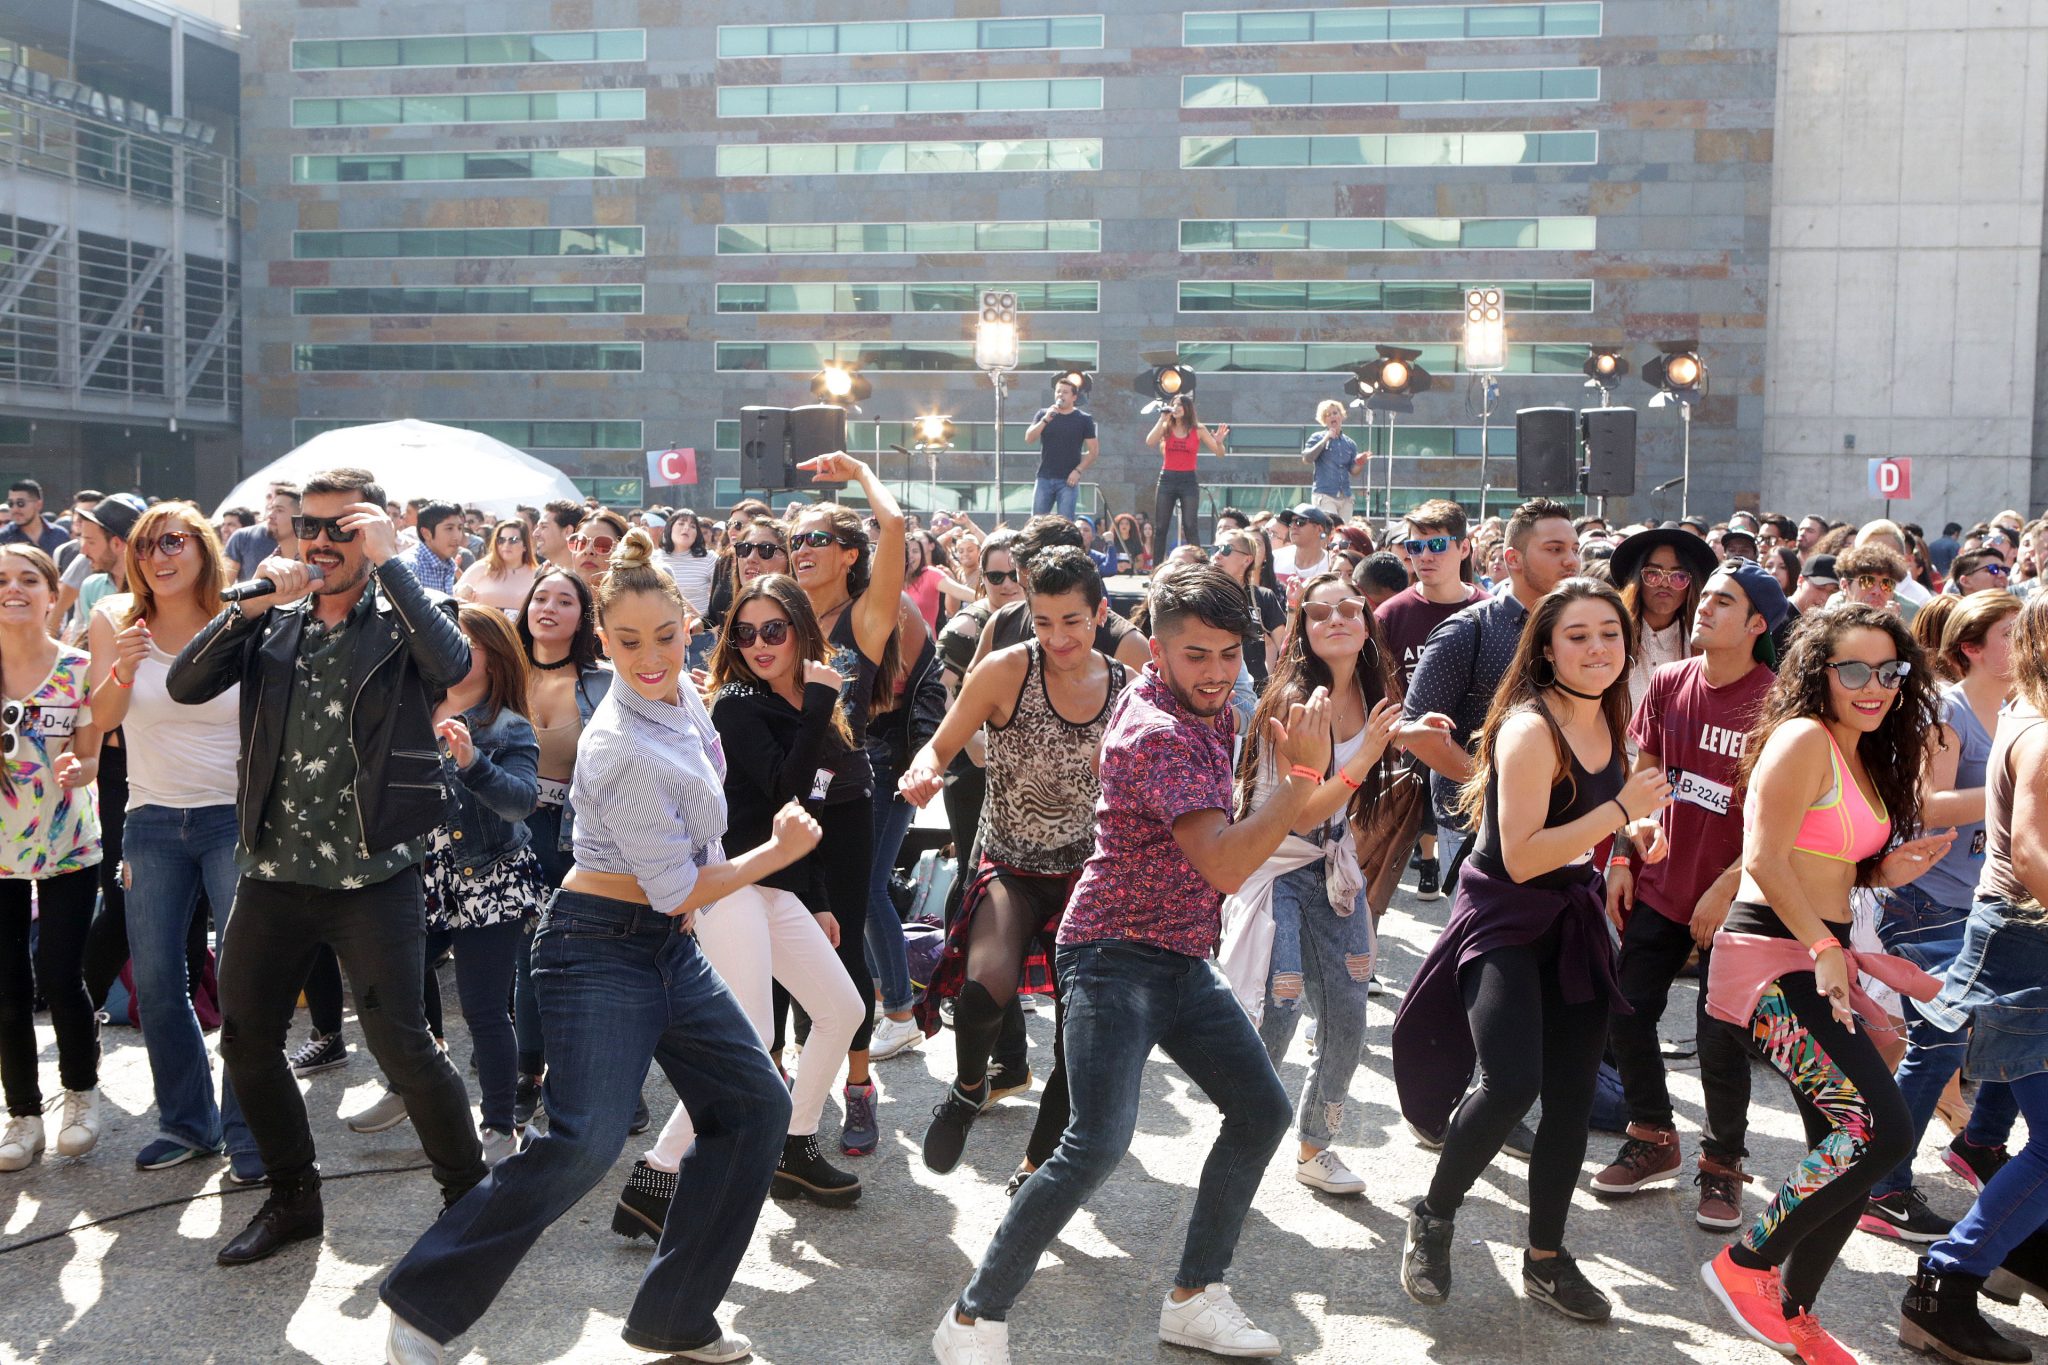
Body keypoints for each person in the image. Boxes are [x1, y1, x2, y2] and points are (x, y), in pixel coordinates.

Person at [379, 528, 818, 1365]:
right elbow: (677, 886)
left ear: (688, 623)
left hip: (666, 948)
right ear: (602, 640)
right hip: (594, 947)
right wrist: (775, 856)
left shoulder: (683, 695)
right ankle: (422, 1308)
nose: (648, 656)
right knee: (583, 1139)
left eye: (663, 636)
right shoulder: (616, 741)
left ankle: (676, 1317)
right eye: (626, 641)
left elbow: (686, 873)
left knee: (757, 1106)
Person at [931, 563, 1318, 1365]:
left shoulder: (1205, 709)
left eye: (1228, 653)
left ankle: (1196, 1296)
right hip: (1111, 957)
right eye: (1196, 655)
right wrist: (1305, 780)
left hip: (1179, 956)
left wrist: (1340, 768)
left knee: (1261, 1111)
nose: (1215, 671)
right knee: (1096, 1142)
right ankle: (971, 1318)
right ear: (1160, 651)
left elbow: (1248, 833)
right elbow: (1223, 862)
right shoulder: (1159, 731)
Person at [166, 468, 489, 1266]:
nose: (320, 542)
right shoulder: (273, 621)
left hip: (372, 874)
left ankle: (471, 1199)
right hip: (275, 871)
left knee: (403, 1046)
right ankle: (293, 1195)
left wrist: (392, 563)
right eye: (309, 526)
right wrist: (245, 603)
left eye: (340, 527)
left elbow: (450, 665)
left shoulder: (406, 611)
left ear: (375, 529)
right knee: (244, 1040)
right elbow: (184, 682)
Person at [1393, 578, 1673, 1321]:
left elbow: (1601, 816)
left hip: (1572, 915)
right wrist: (1622, 811)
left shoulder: (1615, 715)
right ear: (1546, 648)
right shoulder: (1526, 727)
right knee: (1513, 1080)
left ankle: (1546, 1258)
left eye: (1609, 634)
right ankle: (1434, 1213)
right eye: (1577, 635)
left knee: (1574, 1100)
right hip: (1505, 913)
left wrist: (1632, 836)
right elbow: (1520, 856)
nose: (1596, 649)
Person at [1699, 604, 1956, 1361]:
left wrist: (1879, 868)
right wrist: (1821, 943)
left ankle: (1794, 1308)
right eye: (1854, 669)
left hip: (1819, 950)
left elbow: (1820, 850)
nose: (1873, 686)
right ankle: (1744, 1263)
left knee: (1844, 1151)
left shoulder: (1857, 746)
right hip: (1772, 958)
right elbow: (1765, 856)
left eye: (1888, 671)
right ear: (1820, 671)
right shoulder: (1804, 736)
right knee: (1879, 1130)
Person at [624, 573, 865, 1217]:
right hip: (728, 880)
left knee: (842, 1009)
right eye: (748, 632)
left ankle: (794, 1143)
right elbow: (786, 786)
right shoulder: (735, 701)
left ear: (801, 634)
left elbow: (806, 818)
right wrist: (816, 705)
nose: (761, 644)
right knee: (754, 1034)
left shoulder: (806, 705)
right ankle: (655, 1179)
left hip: (777, 884)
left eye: (775, 630)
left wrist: (816, 898)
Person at [900, 547, 1129, 1188]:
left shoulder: (1125, 685)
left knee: (1073, 1039)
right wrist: (923, 771)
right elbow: (940, 745)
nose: (1058, 637)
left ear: (1099, 614)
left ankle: (1036, 1165)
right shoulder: (1004, 670)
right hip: (1010, 863)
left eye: (1073, 622)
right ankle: (969, 1089)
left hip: (1089, 875)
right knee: (981, 995)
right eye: (1044, 620)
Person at [1593, 561, 1785, 1228]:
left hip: (1742, 901)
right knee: (1624, 1007)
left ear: (1758, 623)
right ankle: (1653, 1137)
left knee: (1720, 1038)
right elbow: (1645, 772)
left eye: (1722, 602)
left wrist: (1726, 890)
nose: (1701, 608)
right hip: (1661, 886)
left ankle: (1723, 1166)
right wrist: (1623, 852)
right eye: (1705, 598)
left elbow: (1778, 821)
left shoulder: (1778, 703)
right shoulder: (1670, 681)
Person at [83, 505, 262, 1178]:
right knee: (158, 981)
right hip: (151, 819)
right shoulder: (117, 620)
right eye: (148, 546)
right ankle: (188, 1122)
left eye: (174, 541)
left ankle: (249, 1134)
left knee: (245, 982)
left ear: (201, 549)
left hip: (233, 818)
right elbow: (101, 721)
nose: (161, 556)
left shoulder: (238, 617)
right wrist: (123, 671)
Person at [1893, 591, 2048, 1365]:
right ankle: (1945, 1280)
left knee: (2018, 1122)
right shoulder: (2038, 727)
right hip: (2019, 938)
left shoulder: (2022, 710)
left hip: (2009, 936)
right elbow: (2029, 852)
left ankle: (2015, 1246)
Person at [1228, 574, 1401, 1197]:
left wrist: (1414, 737)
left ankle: (1314, 1148)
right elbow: (1300, 811)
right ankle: (1243, 1144)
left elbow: (1359, 787)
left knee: (1350, 1015)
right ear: (1302, 627)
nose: (1335, 619)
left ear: (1365, 620)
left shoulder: (1376, 694)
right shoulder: (1295, 701)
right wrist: (1364, 758)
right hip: (1277, 865)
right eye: (1319, 611)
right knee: (1278, 1012)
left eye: (1347, 608)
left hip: (1333, 867)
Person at [1864, 590, 2026, 1239]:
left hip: (1992, 901)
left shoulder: (2022, 708)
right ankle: (1882, 1186)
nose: (2027, 644)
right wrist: (2017, 782)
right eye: (2013, 634)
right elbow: (1927, 806)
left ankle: (1980, 1141)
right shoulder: (1946, 710)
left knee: (2026, 1022)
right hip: (1925, 901)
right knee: (1939, 1041)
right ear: (1971, 647)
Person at [784, 454, 911, 1152]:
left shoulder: (864, 620)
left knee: (844, 938)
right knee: (781, 935)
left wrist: (861, 469)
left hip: (849, 800)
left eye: (815, 539)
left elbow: (893, 522)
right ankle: (785, 1080)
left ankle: (858, 1087)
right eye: (794, 539)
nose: (800, 549)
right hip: (781, 795)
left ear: (849, 554)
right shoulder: (778, 615)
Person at [409, 605, 545, 1167]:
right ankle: (422, 1090)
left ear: (493, 653)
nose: (451, 651)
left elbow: (521, 801)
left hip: (489, 878)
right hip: (418, 878)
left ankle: (498, 1126)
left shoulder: (507, 724)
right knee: (396, 997)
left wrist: (472, 762)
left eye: (464, 643)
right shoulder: (408, 706)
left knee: (485, 1009)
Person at [1400, 498, 1584, 885]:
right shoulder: (1467, 630)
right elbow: (1419, 733)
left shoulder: (1583, 631)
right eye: (1554, 549)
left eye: (1574, 549)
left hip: (1564, 822)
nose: (1571, 561)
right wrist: (1503, 792)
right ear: (1512, 558)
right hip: (1476, 827)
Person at [0, 545, 103, 1172]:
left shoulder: (80, 668)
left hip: (67, 842)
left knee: (62, 976)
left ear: (51, 591)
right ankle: (22, 1116)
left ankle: (82, 1097)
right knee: (7, 986)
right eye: (1, 580)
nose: (13, 589)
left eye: (27, 579)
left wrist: (77, 765)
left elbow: (92, 757)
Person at [511, 566, 612, 1130]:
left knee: (578, 961)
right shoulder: (500, 674)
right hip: (512, 834)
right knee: (526, 962)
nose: (549, 607)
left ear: (582, 617)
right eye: (540, 598)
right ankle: (528, 1074)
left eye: (565, 600)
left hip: (579, 839)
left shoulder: (603, 683)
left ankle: (601, 1077)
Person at [1376, 500, 1487, 901]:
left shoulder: (1487, 611)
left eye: (1436, 545)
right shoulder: (1391, 614)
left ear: (1464, 548)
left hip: (1471, 762)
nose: (1423, 556)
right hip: (1404, 760)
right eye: (1414, 546)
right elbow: (1377, 689)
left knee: (1471, 888)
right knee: (1376, 879)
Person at [1609, 526, 1718, 717]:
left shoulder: (1704, 644)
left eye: (1679, 576)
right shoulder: (1612, 636)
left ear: (1691, 585)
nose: (1665, 583)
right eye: (1653, 573)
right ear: (1637, 578)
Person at [1145, 393, 1227, 559]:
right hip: (1167, 479)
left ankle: (1198, 567)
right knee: (1161, 527)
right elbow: (1150, 441)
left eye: (1180, 405)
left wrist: (1218, 441)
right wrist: (1162, 419)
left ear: (1187, 408)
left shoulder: (1198, 429)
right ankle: (1157, 569)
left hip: (1188, 480)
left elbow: (1219, 454)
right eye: (1174, 404)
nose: (1176, 407)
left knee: (1190, 525)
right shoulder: (1166, 426)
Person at [1025, 376, 1097, 519]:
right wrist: (1046, 419)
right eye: (1058, 391)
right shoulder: (1043, 414)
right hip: (1044, 478)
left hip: (1068, 481)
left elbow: (1093, 452)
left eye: (1065, 392)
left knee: (1065, 525)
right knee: (1036, 523)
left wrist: (1078, 470)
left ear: (1074, 397)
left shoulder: (1084, 419)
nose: (1060, 395)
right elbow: (1029, 438)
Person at [658, 509, 716, 661]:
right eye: (681, 523)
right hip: (662, 633)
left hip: (699, 634)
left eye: (692, 526)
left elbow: (721, 597)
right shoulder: (655, 557)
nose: (686, 529)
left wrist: (713, 626)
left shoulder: (709, 558)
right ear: (669, 528)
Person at [455, 519, 538, 613]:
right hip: (483, 625)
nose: (506, 545)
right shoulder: (481, 568)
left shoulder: (536, 574)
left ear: (525, 546)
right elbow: (455, 596)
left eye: (513, 540)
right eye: (501, 540)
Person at [1301, 399, 1364, 523]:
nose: (1332, 416)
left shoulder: (1350, 443)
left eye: (1335, 413)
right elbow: (1307, 458)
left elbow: (1353, 471)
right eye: (1327, 415)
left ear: (1341, 415)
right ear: (1324, 420)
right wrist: (1325, 439)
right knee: (1330, 529)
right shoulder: (1317, 437)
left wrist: (1360, 462)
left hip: (1345, 496)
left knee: (1343, 532)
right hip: (1325, 494)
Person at [225, 484, 302, 581]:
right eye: (271, 509)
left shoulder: (311, 562)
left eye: (279, 510)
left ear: (299, 518)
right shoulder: (268, 562)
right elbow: (225, 587)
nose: (270, 515)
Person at [404, 501, 465, 595]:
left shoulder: (448, 564)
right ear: (426, 533)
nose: (457, 536)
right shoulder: (411, 567)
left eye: (460, 528)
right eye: (449, 528)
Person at [569, 509, 629, 596]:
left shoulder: (636, 604)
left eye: (603, 545)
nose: (588, 551)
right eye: (581, 542)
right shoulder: (557, 602)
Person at [0, 479, 69, 554]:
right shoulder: (3, 537)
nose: (15, 509)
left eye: (20, 503)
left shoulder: (59, 535)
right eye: (11, 504)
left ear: (38, 504)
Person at [531, 499, 581, 568]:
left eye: (543, 527)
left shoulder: (589, 576)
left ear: (568, 531)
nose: (535, 534)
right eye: (537, 527)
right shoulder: (540, 573)